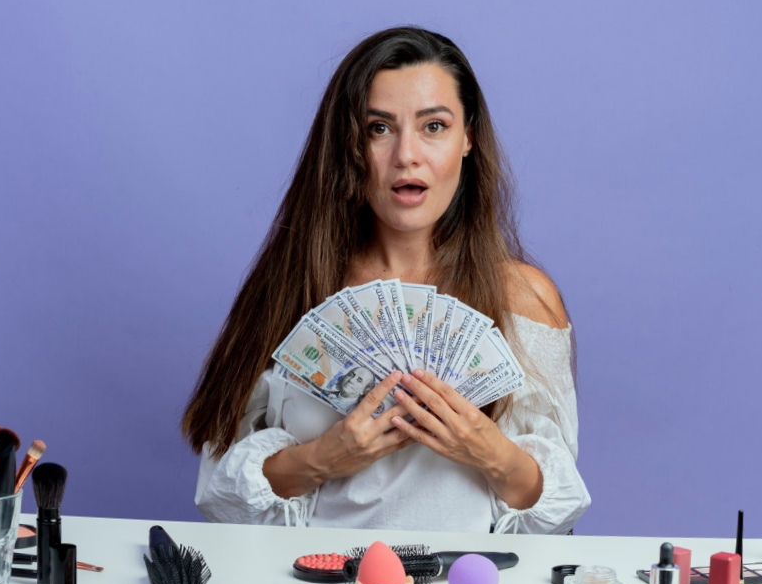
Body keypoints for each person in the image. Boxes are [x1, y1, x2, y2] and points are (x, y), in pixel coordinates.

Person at [182, 27, 591, 533]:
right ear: (348, 145)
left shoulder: (523, 297)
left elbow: (555, 509)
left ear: (469, 138)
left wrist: (488, 452)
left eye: (434, 126)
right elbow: (221, 490)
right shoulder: (297, 286)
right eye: (379, 128)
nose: (406, 155)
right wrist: (326, 458)